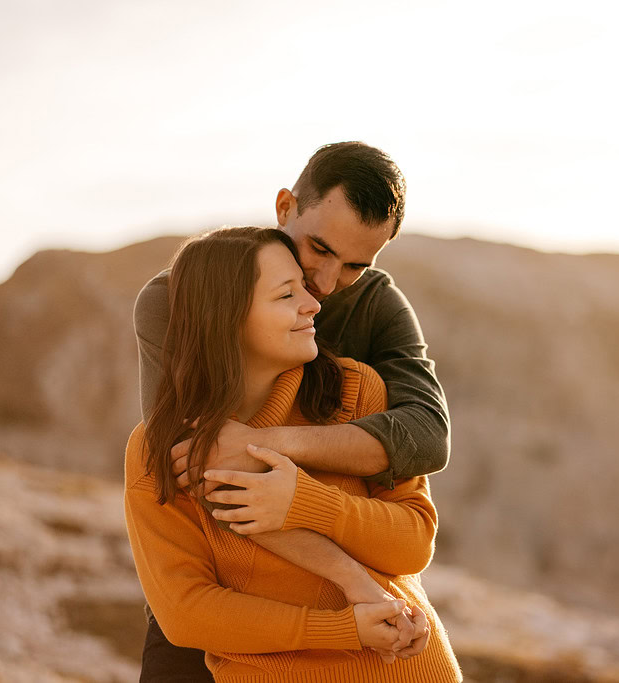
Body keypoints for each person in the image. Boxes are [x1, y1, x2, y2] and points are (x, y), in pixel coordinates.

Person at [132, 142, 451, 680]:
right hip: (225, 599)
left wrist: (272, 449)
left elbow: (426, 436)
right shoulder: (180, 300)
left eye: (355, 265)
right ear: (285, 207)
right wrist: (354, 584)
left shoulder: (375, 314)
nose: (323, 286)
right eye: (319, 249)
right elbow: (204, 474)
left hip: (362, 621)